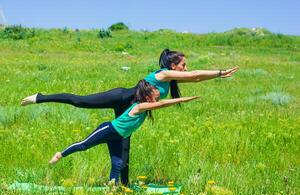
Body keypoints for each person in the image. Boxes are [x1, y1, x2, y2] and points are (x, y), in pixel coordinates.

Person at [21, 49, 238, 185]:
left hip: (129, 112)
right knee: (80, 101)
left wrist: (217, 77)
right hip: (120, 97)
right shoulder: (163, 74)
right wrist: (220, 72)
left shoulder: (171, 79)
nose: (186, 68)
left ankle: (121, 186)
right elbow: (194, 75)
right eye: (183, 64)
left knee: (123, 152)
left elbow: (196, 79)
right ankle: (40, 98)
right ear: (173, 66)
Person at [49, 80, 199, 184]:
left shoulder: (144, 107)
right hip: (108, 129)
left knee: (118, 163)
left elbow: (160, 103)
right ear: (147, 98)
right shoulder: (139, 106)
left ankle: (111, 186)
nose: (158, 99)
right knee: (83, 145)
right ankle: (60, 154)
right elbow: (162, 104)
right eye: (156, 97)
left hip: (118, 136)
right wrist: (182, 99)